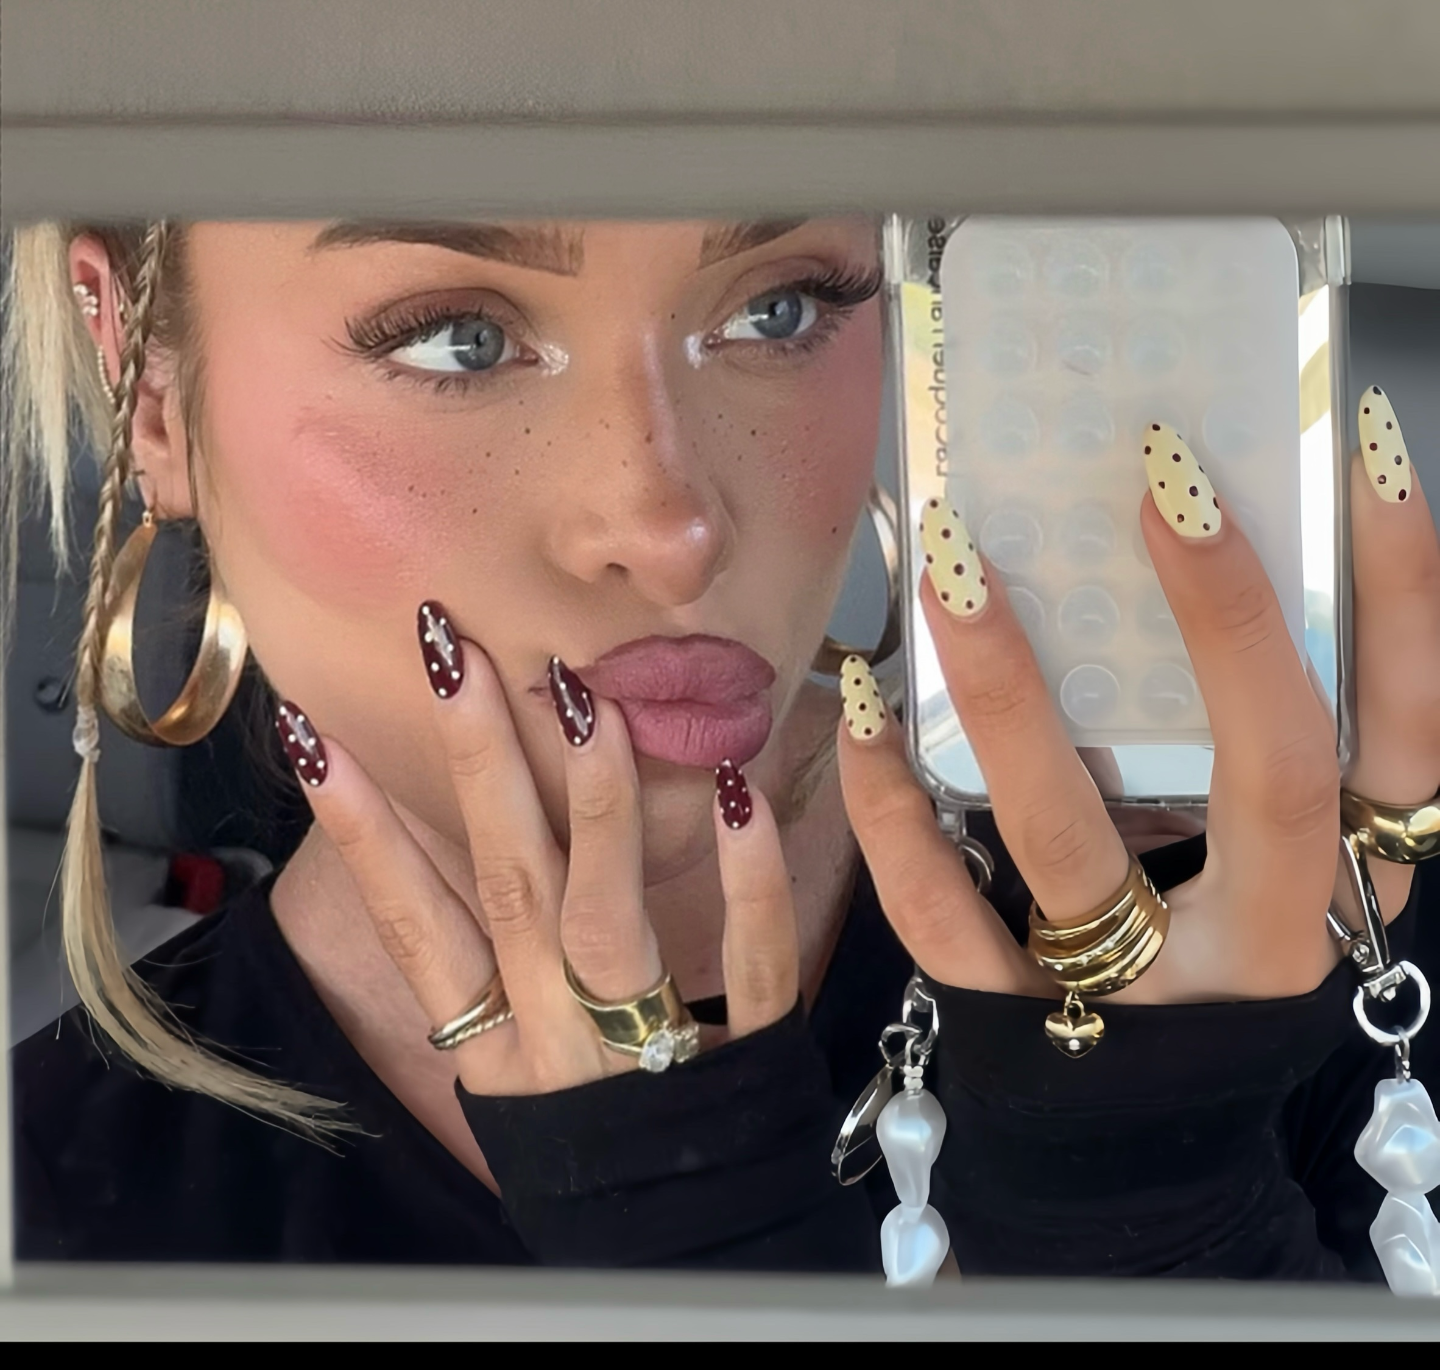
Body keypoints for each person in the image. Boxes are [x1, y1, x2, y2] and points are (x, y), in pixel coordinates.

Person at [6, 217, 1438, 1277]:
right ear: (146, 383)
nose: (673, 525)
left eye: (783, 308)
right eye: (458, 338)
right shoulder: (58, 1215)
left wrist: (1161, 1218)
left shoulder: (1290, 960)